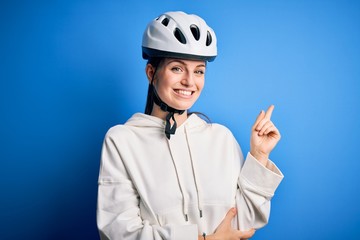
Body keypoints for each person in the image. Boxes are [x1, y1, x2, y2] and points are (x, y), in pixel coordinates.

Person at [96, 11, 284, 240]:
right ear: (151, 73)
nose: (189, 81)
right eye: (177, 68)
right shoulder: (122, 141)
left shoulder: (221, 138)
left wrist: (259, 155)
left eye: (199, 71)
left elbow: (246, 223)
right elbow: (118, 233)